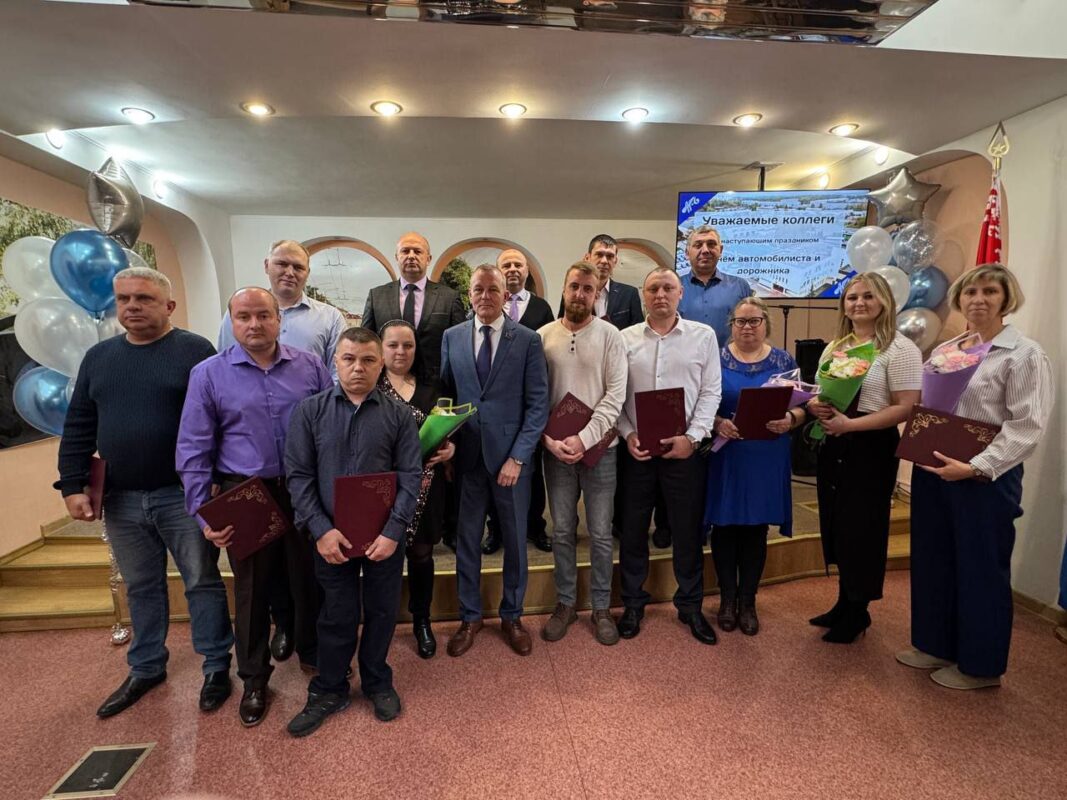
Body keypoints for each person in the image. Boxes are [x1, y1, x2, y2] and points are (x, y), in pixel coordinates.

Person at [56, 267, 233, 718]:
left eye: (144, 298)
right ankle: (147, 665)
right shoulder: (98, 358)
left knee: (201, 580)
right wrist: (72, 485)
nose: (132, 306)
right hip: (121, 498)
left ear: (168, 306)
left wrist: (216, 477)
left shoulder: (195, 351)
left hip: (184, 495)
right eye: (124, 299)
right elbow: (78, 425)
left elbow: (219, 420)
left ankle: (216, 665)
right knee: (141, 585)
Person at [177, 287, 332, 727]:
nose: (254, 324)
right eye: (244, 316)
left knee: (309, 578)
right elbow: (192, 446)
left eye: (263, 315)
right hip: (245, 491)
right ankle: (255, 679)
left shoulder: (310, 366)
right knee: (251, 591)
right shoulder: (208, 374)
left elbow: (331, 424)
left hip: (301, 488)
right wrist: (203, 512)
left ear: (279, 319)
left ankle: (313, 652)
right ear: (232, 322)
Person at [900, 263, 1052, 689]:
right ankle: (934, 644)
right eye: (971, 292)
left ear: (1006, 299)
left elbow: (1027, 427)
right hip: (935, 470)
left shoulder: (1024, 354)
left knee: (980, 569)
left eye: (989, 292)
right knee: (934, 560)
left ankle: (980, 667)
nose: (979, 300)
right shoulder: (949, 350)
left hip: (984, 476)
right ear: (959, 299)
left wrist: (976, 467)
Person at [284, 328, 422, 734]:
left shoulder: (399, 415)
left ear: (381, 364)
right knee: (336, 613)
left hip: (384, 537)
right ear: (335, 362)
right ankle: (330, 687)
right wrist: (320, 530)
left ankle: (377, 680)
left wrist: (394, 531)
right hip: (331, 537)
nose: (358, 368)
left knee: (381, 611)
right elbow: (298, 477)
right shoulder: (309, 412)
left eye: (367, 360)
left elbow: (410, 476)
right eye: (349, 359)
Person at [218, 239, 345, 665]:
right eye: (281, 264)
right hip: (248, 478)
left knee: (304, 565)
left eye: (298, 266)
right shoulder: (231, 324)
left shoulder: (325, 324)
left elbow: (333, 390)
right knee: (259, 573)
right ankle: (279, 633)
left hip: (301, 474)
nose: (289, 272)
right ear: (267, 266)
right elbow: (225, 375)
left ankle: (309, 643)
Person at [440, 264, 549, 658]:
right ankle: (469, 617)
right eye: (478, 289)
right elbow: (447, 398)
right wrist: (447, 447)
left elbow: (538, 405)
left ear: (505, 295)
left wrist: (518, 457)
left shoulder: (528, 340)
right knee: (467, 541)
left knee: (516, 542)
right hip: (467, 459)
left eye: (492, 289)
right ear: (469, 294)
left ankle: (512, 616)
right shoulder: (452, 337)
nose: (485, 296)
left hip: (511, 462)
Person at [807, 272, 921, 644]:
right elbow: (823, 392)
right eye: (852, 297)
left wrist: (851, 426)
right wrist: (815, 405)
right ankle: (844, 602)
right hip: (835, 441)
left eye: (868, 296)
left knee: (864, 529)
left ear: (884, 301)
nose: (859, 303)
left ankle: (858, 611)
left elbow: (907, 407)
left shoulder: (899, 349)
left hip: (871, 445)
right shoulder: (836, 347)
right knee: (838, 524)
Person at [616, 267, 721, 644]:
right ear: (643, 296)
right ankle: (632, 604)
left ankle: (690, 605)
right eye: (653, 289)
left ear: (680, 294)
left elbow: (711, 392)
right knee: (632, 531)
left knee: (687, 531)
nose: (660, 295)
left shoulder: (703, 336)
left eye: (667, 288)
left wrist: (692, 438)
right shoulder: (623, 339)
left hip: (684, 452)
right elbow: (615, 394)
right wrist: (627, 434)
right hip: (637, 452)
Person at [539, 261, 627, 645]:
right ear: (563, 289)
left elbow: (615, 396)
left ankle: (602, 607)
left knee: (601, 533)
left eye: (588, 289)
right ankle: (565, 603)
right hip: (555, 451)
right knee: (561, 531)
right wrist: (549, 440)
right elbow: (536, 398)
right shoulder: (542, 336)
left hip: (601, 452)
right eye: (574, 286)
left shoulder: (610, 336)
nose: (580, 294)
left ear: (596, 294)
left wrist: (584, 439)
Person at [706, 296, 804, 636]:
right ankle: (727, 599)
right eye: (740, 321)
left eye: (754, 320)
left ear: (766, 323)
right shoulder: (715, 358)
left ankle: (748, 601)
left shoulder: (784, 360)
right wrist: (717, 423)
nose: (747, 327)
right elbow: (700, 402)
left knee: (755, 529)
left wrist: (791, 418)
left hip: (767, 454)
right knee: (724, 527)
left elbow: (803, 404)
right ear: (731, 325)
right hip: (727, 453)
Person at [376, 319, 456, 659]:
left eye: (407, 345)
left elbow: (448, 428)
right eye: (393, 345)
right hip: (383, 488)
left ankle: (422, 619)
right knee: (385, 557)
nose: (400, 351)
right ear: (380, 349)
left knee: (422, 555)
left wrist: (451, 450)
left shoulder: (433, 385)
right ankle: (382, 624)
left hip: (427, 484)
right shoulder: (370, 387)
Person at [482, 247, 555, 555]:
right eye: (506, 264)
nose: (512, 269)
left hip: (527, 407)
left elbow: (547, 353)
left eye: (518, 264)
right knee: (492, 471)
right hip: (495, 407)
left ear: (526, 271)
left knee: (530, 472)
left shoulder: (541, 307)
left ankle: (535, 526)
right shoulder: (486, 308)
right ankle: (495, 530)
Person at [361, 232, 466, 384]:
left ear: (428, 259)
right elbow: (366, 344)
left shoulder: (450, 298)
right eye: (405, 251)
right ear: (397, 257)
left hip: (435, 386)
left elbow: (460, 346)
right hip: (387, 385)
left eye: (417, 251)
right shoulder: (376, 296)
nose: (411, 256)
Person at [677, 225, 752, 345]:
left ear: (720, 250)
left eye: (711, 244)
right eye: (698, 245)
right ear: (687, 253)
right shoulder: (673, 288)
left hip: (729, 357)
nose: (705, 250)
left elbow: (753, 328)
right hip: (685, 356)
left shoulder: (740, 287)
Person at [556, 234, 643, 328]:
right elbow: (563, 327)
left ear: (615, 261)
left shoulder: (629, 294)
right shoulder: (574, 293)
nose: (604, 261)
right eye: (599, 255)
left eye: (610, 256)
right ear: (587, 258)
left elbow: (637, 332)